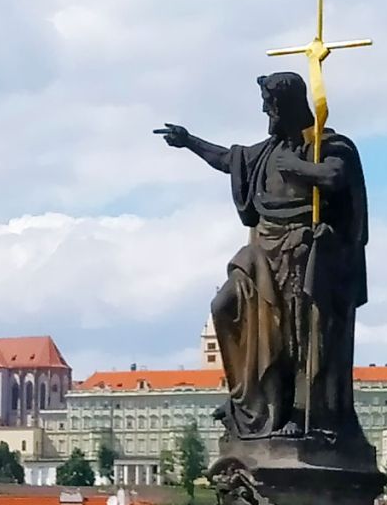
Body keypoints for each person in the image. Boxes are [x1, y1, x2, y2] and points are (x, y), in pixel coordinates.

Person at [156, 72, 367, 441]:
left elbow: (335, 177)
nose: (266, 113)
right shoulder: (267, 152)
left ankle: (298, 413)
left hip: (304, 254)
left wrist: (298, 168)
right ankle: (248, 401)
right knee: (224, 306)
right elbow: (227, 159)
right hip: (262, 252)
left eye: (269, 107)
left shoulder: (328, 145)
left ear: (286, 106)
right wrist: (189, 142)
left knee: (299, 337)